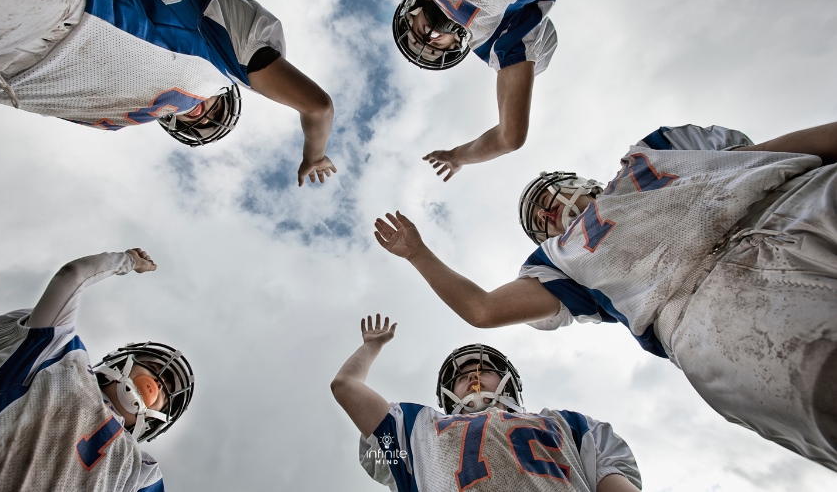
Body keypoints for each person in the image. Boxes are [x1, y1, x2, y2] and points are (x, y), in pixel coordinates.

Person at [373, 122, 837, 471]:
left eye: (548, 195)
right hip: (706, 308)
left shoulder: (653, 151)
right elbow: (483, 309)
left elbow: (767, 155)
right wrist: (418, 253)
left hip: (788, 202)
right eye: (541, 218)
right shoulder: (558, 261)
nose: (550, 209)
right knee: (824, 381)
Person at [0, 0, 336, 186]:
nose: (200, 113)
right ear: (226, 93)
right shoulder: (223, 57)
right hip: (69, 1)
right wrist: (313, 155)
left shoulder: (123, 116)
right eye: (213, 110)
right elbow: (318, 107)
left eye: (198, 123)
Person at [0, 248, 194, 491]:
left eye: (166, 390)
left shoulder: (142, 473)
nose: (159, 383)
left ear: (155, 421)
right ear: (120, 361)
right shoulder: (58, 364)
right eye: (153, 367)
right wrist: (126, 260)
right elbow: (71, 276)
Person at [377, 0, 635, 181]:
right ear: (455, 45)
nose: (426, 41)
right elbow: (509, 136)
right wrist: (458, 156)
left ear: (409, 12)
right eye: (434, 49)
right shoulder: (493, 37)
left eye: (414, 38)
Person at [331, 314, 642, 491]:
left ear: (508, 381)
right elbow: (346, 386)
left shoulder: (570, 425)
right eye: (461, 376)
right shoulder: (418, 431)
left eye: (484, 370)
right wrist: (372, 347)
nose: (472, 377)